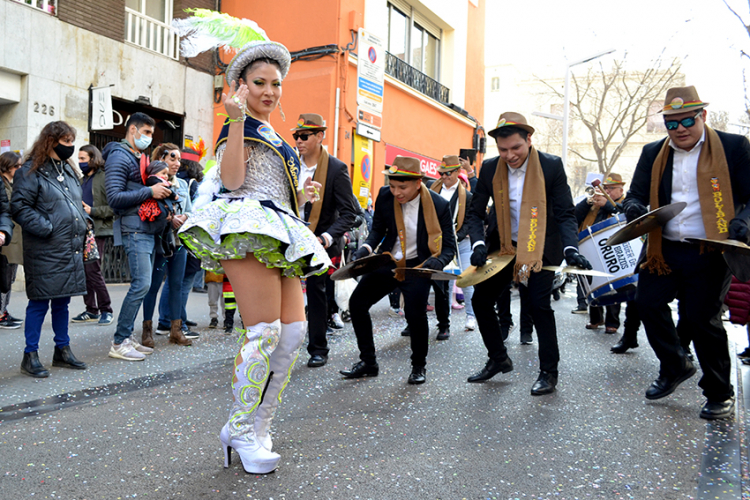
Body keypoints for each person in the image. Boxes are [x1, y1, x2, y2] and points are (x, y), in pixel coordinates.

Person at [174, 20, 330, 474]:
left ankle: (257, 426)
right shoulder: (236, 126)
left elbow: (274, 191)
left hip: (278, 227)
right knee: (263, 333)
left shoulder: (279, 136)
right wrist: (237, 120)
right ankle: (241, 430)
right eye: (259, 82)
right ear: (241, 86)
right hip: (246, 227)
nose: (270, 90)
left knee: (293, 334)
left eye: (276, 83)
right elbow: (234, 181)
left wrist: (301, 198)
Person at [623, 86, 750, 420]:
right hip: (663, 249)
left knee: (700, 319)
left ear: (702, 117)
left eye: (687, 121)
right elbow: (635, 194)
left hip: (711, 248)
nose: (679, 129)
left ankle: (719, 392)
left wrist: (743, 222)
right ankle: (675, 364)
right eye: (671, 123)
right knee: (646, 303)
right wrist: (634, 206)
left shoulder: (734, 147)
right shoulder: (653, 153)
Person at [465, 112, 590, 395]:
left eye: (516, 148)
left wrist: (571, 248)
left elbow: (565, 213)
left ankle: (548, 371)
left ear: (529, 140)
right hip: (505, 247)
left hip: (541, 248)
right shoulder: (489, 169)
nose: (509, 156)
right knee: (482, 300)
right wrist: (478, 244)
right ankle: (498, 358)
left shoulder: (551, 166)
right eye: (503, 150)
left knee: (538, 306)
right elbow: (475, 213)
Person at [339, 155, 456, 384]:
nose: (396, 192)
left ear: (418, 182)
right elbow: (378, 230)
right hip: (389, 261)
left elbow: (449, 247)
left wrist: (437, 262)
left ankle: (418, 366)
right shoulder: (384, 196)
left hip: (418, 266)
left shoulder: (438, 205)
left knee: (415, 316)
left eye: (402, 187)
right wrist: (365, 248)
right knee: (357, 303)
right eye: (392, 186)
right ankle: (368, 362)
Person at [12, 121, 87, 377]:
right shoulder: (30, 171)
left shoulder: (67, 170)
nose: (70, 147)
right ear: (51, 141)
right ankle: (29, 355)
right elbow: (20, 206)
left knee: (62, 302)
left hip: (68, 246)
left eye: (71, 141)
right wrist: (47, 227)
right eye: (65, 141)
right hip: (44, 247)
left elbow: (73, 204)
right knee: (39, 302)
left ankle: (62, 350)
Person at [293, 113, 358, 368]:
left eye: (304, 135)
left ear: (320, 136)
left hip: (318, 241)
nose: (299, 140)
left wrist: (326, 237)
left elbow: (350, 213)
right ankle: (279, 345)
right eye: (296, 135)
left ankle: (318, 349)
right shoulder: (290, 163)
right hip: (287, 237)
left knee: (317, 294)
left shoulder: (336, 168)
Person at [103, 112, 164, 361]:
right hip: (134, 228)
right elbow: (114, 197)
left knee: (144, 284)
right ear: (132, 130)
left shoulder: (137, 157)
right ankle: (119, 341)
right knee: (141, 284)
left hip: (144, 227)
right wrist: (150, 190)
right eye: (146, 133)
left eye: (151, 133)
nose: (149, 138)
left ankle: (126, 337)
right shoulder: (119, 156)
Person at [574, 173, 641, 352]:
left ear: (621, 189)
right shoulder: (593, 205)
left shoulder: (626, 202)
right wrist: (589, 201)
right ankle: (596, 319)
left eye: (611, 189)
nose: (607, 191)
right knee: (594, 284)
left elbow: (629, 216)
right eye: (606, 188)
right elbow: (574, 216)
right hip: (593, 249)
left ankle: (615, 324)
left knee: (619, 288)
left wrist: (609, 205)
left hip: (618, 252)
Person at [141, 144, 193, 349]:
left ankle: (176, 330)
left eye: (179, 159)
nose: (177, 163)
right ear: (161, 158)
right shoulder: (150, 182)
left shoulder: (182, 184)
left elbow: (190, 210)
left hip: (179, 242)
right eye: (173, 158)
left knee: (177, 285)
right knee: (152, 286)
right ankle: (147, 331)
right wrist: (169, 218)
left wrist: (184, 216)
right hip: (159, 241)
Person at [429, 155, 475, 334]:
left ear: (457, 172)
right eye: (441, 173)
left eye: (448, 173)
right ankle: (444, 319)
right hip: (438, 243)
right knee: (444, 281)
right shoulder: (431, 189)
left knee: (466, 280)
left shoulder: (467, 196)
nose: (444, 176)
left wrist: (456, 236)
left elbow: (470, 222)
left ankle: (470, 316)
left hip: (461, 243)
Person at [72, 144, 114, 325]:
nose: (80, 162)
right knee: (84, 271)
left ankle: (106, 309)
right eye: (79, 159)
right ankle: (91, 310)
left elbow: (114, 206)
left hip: (97, 230)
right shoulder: (81, 181)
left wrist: (93, 210)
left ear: (93, 158)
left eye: (83, 159)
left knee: (93, 270)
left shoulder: (104, 178)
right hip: (81, 230)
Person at [0, 152, 23, 328]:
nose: (20, 169)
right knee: (4, 277)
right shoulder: (3, 183)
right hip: (5, 239)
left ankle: (4, 310)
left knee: (10, 277)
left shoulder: (12, 184)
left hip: (13, 236)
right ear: (7, 166)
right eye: (17, 166)